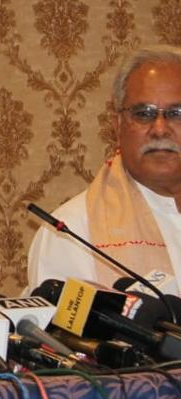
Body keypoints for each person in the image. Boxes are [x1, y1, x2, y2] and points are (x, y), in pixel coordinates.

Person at [28, 45, 181, 293]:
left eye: (177, 113)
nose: (160, 128)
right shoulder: (71, 232)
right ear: (118, 126)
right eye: (144, 114)